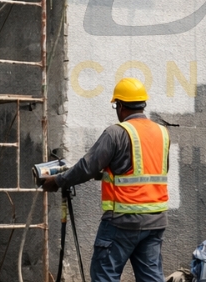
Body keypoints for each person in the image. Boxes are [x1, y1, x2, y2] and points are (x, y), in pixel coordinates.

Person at [41, 78, 169, 282]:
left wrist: (58, 181)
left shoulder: (116, 133)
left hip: (122, 220)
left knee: (104, 275)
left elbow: (86, 167)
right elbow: (144, 171)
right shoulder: (162, 132)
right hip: (155, 221)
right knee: (151, 278)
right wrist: (105, 174)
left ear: (119, 105)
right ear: (142, 103)